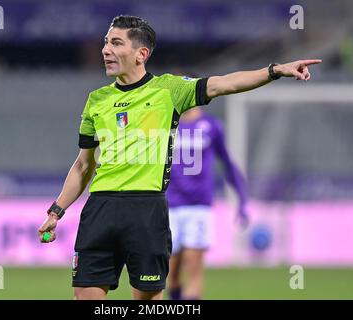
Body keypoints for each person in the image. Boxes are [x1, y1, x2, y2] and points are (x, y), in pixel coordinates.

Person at [37, 14, 321, 300]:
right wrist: (56, 210)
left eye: (116, 43)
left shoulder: (169, 90)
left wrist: (275, 70)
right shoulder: (96, 100)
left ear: (141, 54)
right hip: (99, 208)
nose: (105, 50)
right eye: (105, 42)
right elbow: (84, 164)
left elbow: (226, 84)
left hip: (146, 211)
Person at [166, 106, 248, 300]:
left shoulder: (211, 126)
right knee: (171, 274)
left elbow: (227, 162)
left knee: (193, 269)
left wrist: (242, 198)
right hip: (168, 206)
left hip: (199, 206)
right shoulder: (166, 125)